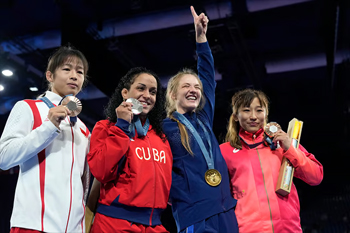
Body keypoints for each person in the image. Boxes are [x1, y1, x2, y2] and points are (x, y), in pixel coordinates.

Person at [162, 6, 238, 233]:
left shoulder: (204, 118)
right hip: (194, 215)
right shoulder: (164, 127)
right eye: (186, 86)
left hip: (225, 211)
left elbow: (207, 76)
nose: (194, 89)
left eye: (196, 87)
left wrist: (201, 38)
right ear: (173, 94)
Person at [0, 45, 91, 232]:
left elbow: (85, 185)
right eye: (66, 69)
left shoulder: (83, 129)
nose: (74, 75)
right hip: (33, 225)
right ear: (50, 76)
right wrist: (48, 126)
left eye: (80, 71)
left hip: (74, 228)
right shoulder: (28, 108)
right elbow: (4, 158)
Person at [219, 88, 324, 233]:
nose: (253, 116)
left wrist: (291, 149)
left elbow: (316, 176)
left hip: (288, 229)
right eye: (247, 110)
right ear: (236, 116)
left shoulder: (284, 143)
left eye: (259, 110)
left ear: (266, 114)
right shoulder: (224, 151)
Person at [87, 67, 173, 232]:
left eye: (153, 92)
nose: (147, 95)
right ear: (125, 93)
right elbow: (101, 171)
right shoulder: (105, 128)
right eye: (141, 88)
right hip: (115, 224)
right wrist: (121, 127)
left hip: (154, 225)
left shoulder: (160, 138)